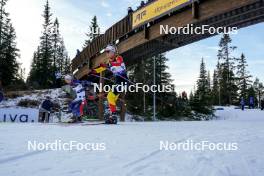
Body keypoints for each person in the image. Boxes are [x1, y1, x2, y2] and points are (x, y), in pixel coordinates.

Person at [93, 44, 129, 124]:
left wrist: (108, 66)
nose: (107, 53)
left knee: (110, 96)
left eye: (108, 51)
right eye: (106, 52)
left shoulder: (118, 58)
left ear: (113, 51)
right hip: (118, 82)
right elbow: (101, 68)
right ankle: (112, 116)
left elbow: (118, 63)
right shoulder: (109, 62)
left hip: (123, 81)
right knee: (111, 99)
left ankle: (113, 114)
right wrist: (94, 71)